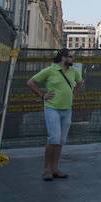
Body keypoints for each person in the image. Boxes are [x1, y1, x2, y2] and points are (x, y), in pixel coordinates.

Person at [27, 48, 83, 181]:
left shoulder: (73, 71)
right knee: (54, 138)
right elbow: (31, 82)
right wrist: (42, 95)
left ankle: (55, 168)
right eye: (70, 56)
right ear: (63, 58)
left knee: (60, 140)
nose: (72, 59)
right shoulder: (50, 70)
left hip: (67, 109)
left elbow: (80, 82)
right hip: (52, 108)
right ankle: (47, 169)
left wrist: (73, 95)